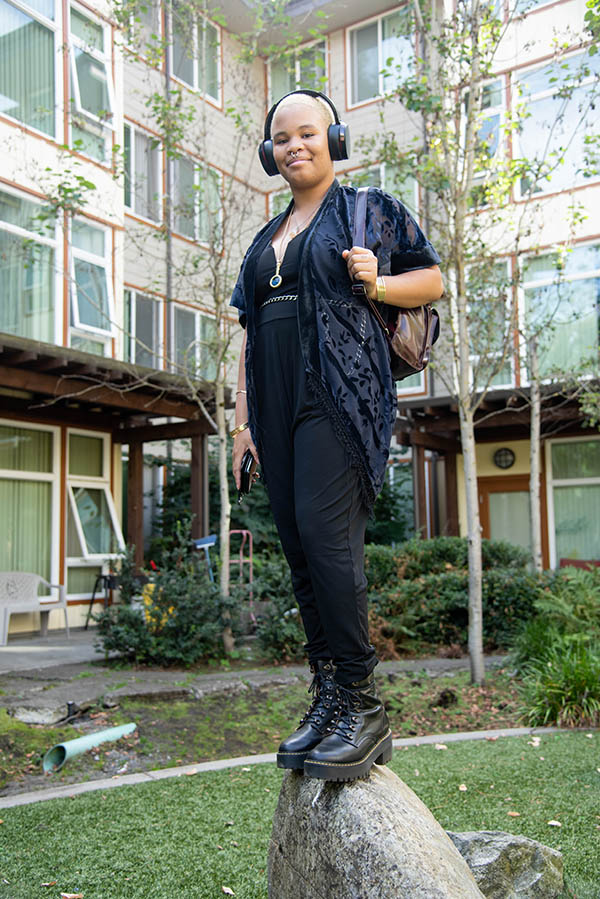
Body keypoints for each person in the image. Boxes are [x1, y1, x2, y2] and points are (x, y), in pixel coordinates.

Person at [230, 90, 443, 782]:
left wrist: (379, 283)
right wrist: (240, 425)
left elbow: (433, 279)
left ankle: (365, 703)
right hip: (273, 408)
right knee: (299, 552)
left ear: (334, 140)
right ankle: (329, 698)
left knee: (327, 540)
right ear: (270, 154)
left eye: (308, 134)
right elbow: (245, 338)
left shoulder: (368, 209)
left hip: (339, 400)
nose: (295, 146)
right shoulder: (264, 241)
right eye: (282, 139)